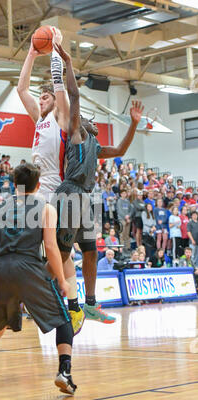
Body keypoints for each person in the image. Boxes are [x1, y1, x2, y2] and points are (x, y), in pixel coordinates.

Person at [0, 163, 76, 398]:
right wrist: (62, 280)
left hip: (1, 269)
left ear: (14, 185)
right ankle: (64, 372)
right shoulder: (45, 208)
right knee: (63, 321)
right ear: (38, 185)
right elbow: (51, 247)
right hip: (29, 268)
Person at [51, 41, 143, 329]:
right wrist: (67, 62)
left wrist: (134, 124)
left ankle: (89, 305)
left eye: (92, 120)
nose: (92, 121)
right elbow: (75, 96)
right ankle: (45, 296)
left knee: (91, 251)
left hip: (85, 198)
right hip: (69, 192)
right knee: (63, 253)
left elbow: (120, 151)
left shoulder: (95, 146)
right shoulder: (76, 132)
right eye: (88, 119)